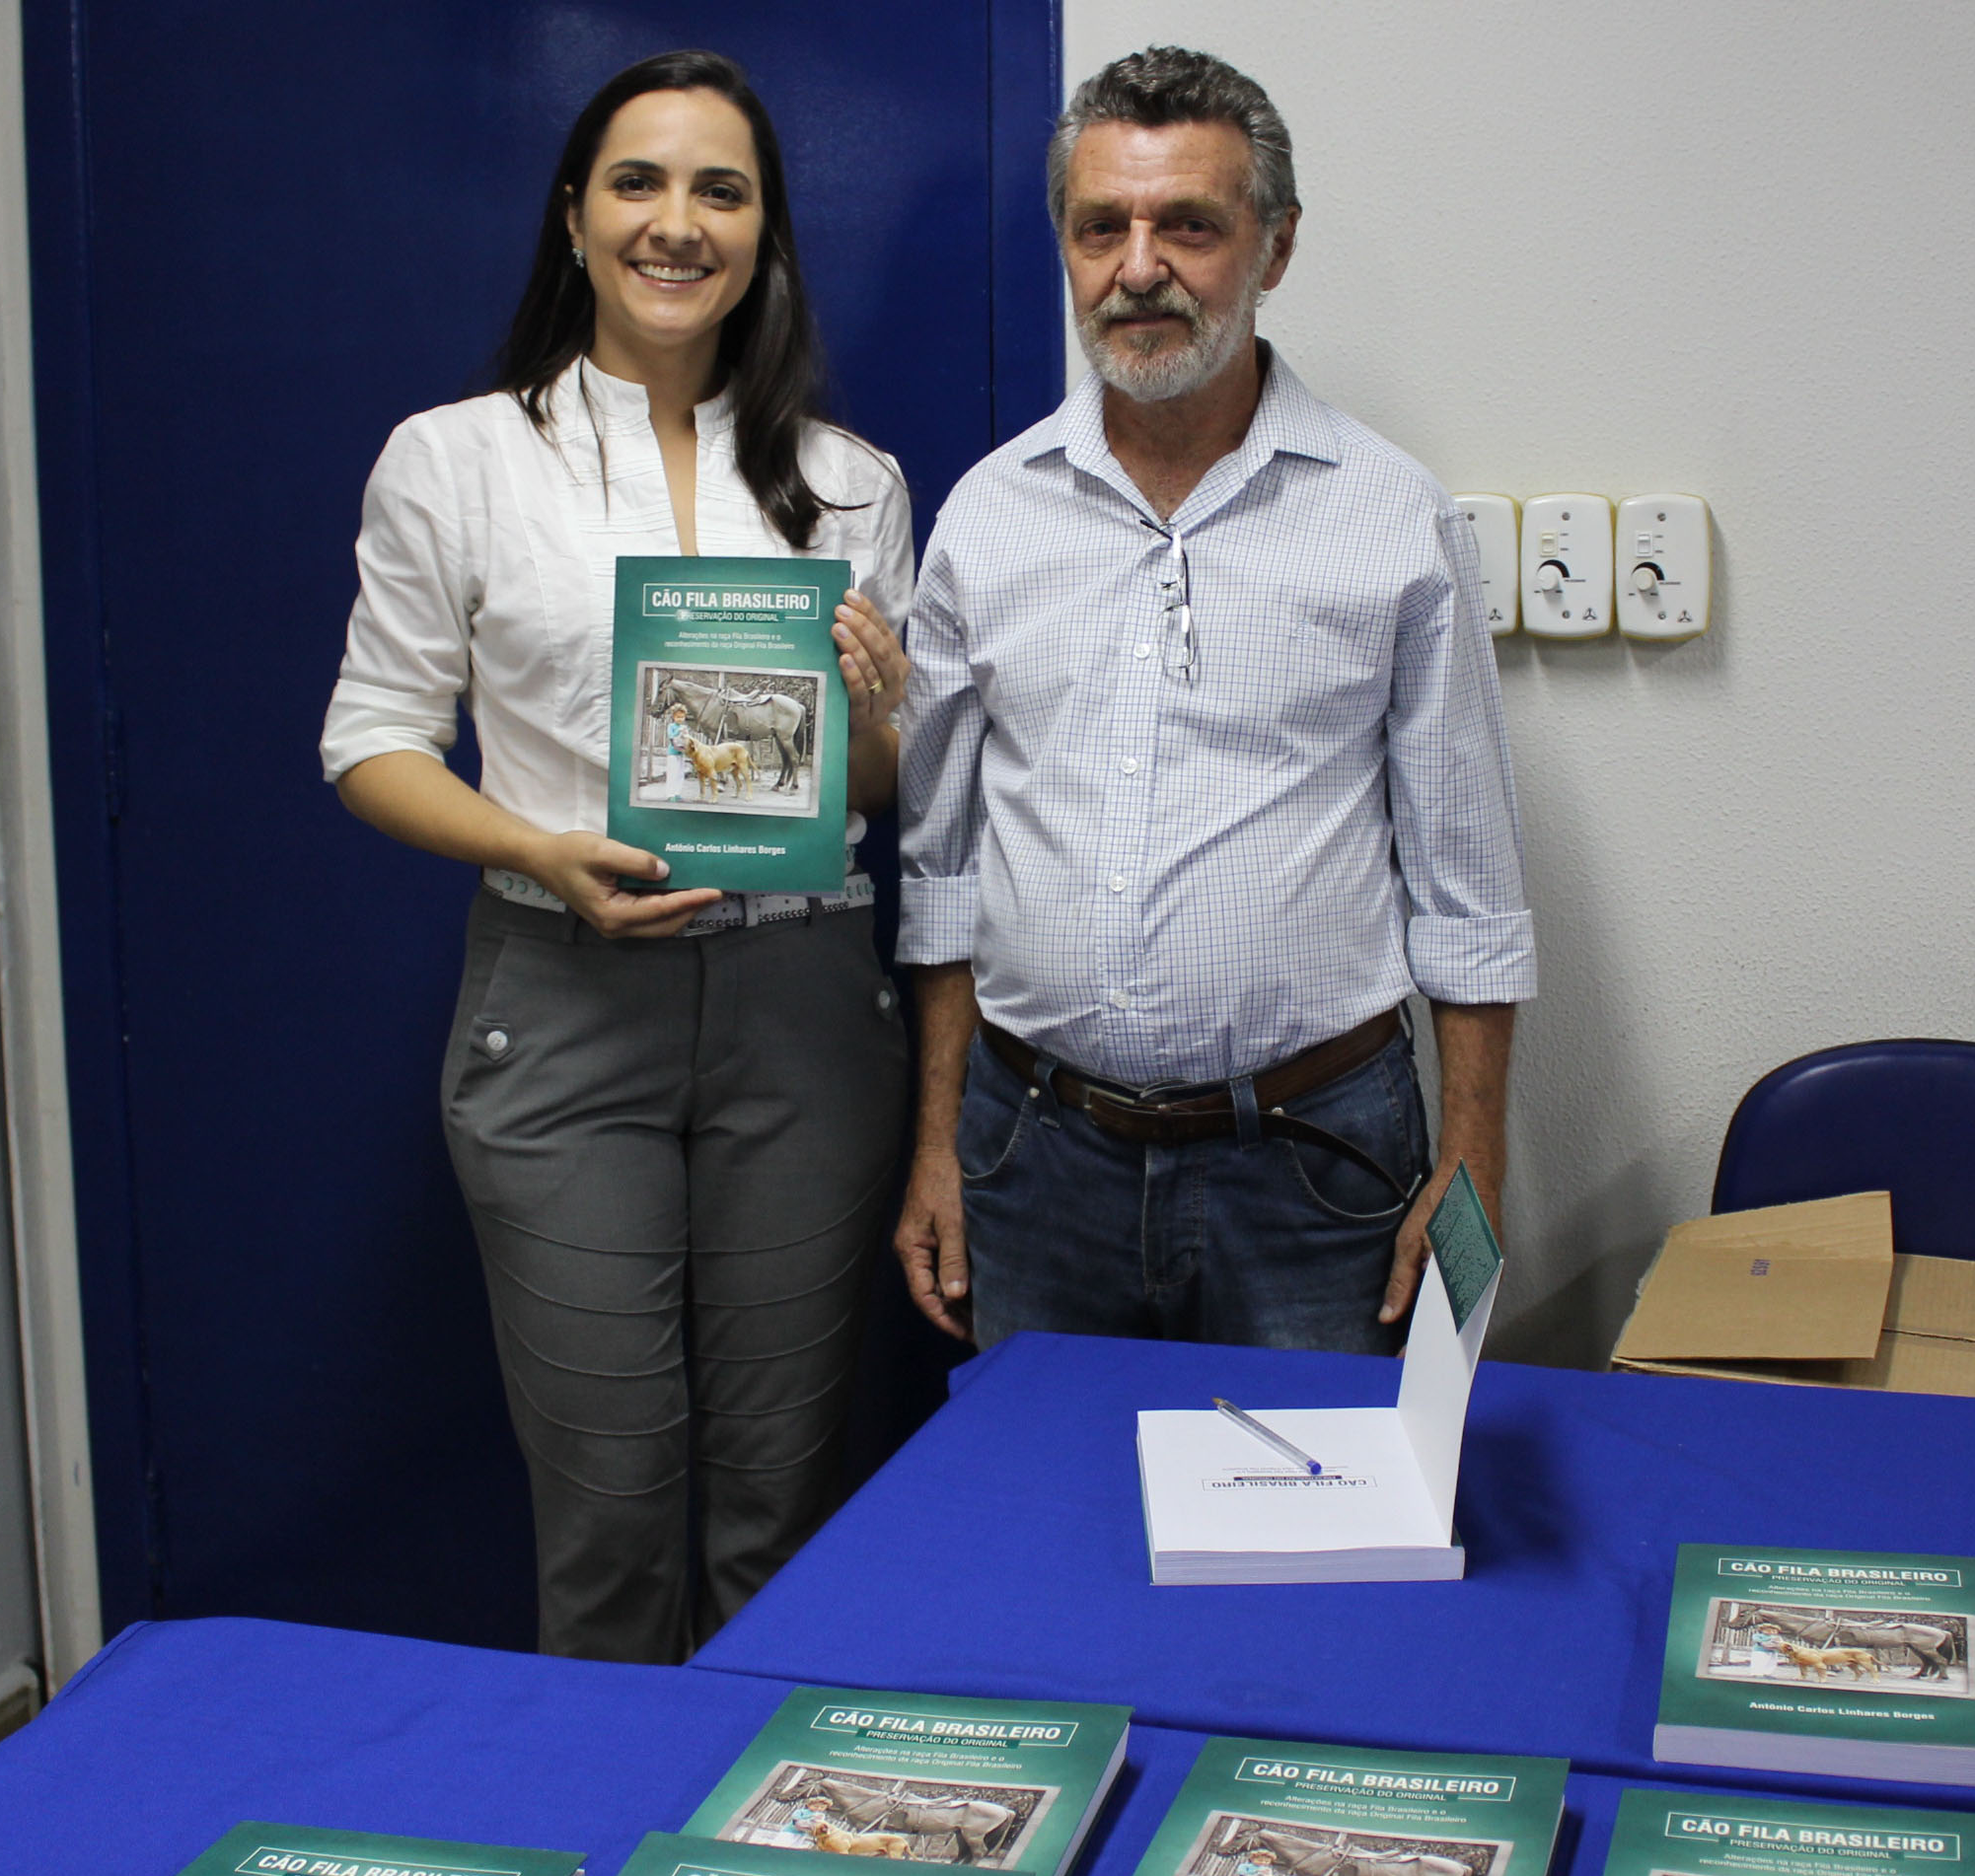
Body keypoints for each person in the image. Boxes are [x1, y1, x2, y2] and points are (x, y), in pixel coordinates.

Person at [319, 48, 915, 1663]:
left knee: (783, 1493)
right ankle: (618, 1852)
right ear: (572, 216)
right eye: (637, 182)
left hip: (803, 1006)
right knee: (611, 1501)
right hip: (564, 992)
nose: (677, 222)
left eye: (721, 189)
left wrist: (879, 712)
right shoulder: (454, 459)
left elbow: (874, 790)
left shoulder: (852, 486)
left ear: (766, 233)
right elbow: (367, 740)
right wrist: (538, 846)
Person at [892, 45, 1533, 1350]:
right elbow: (943, 868)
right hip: (1031, 1157)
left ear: (1275, 247)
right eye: (1100, 227)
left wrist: (1472, 1159)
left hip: (1311, 1167)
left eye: (1189, 224)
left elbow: (1468, 884)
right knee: (1049, 1532)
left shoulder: (1392, 519)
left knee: (1320, 1543)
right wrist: (939, 1147)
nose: (1139, 268)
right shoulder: (987, 520)